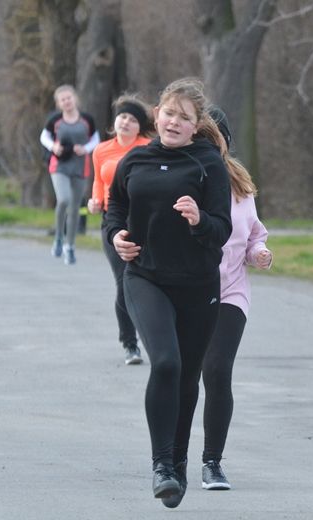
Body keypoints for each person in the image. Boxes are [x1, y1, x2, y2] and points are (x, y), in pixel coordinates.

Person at [104, 77, 232, 508]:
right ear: (156, 115)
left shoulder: (208, 163)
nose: (174, 121)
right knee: (165, 363)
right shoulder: (135, 160)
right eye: (169, 113)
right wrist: (116, 236)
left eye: (185, 117)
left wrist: (199, 220)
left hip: (197, 285)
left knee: (188, 375)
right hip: (146, 276)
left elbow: (221, 229)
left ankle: (178, 461)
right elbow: (115, 208)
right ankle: (162, 464)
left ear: (197, 126)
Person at [199, 107, 273, 491]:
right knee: (178, 376)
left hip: (231, 291)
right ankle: (169, 458)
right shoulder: (182, 179)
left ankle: (212, 462)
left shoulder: (239, 185)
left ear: (226, 143)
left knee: (216, 370)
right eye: (202, 139)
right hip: (189, 291)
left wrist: (259, 251)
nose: (210, 147)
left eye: (216, 139)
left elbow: (254, 233)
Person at [87, 94, 154, 365]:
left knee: (148, 280)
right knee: (123, 280)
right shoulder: (101, 150)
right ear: (116, 121)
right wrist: (94, 202)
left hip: (146, 222)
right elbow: (98, 184)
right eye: (123, 117)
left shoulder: (150, 147)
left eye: (132, 119)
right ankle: (130, 344)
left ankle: (157, 334)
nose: (126, 122)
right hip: (113, 222)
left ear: (140, 127)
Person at [40, 84, 100, 264]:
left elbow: (95, 139)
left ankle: (70, 246)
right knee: (64, 199)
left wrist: (86, 148)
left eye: (69, 98)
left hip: (81, 167)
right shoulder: (55, 120)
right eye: (62, 99)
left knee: (75, 208)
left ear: (75, 99)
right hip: (60, 166)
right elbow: (44, 137)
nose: (66, 101)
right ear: (59, 103)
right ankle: (58, 237)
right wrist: (54, 147)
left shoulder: (87, 120)